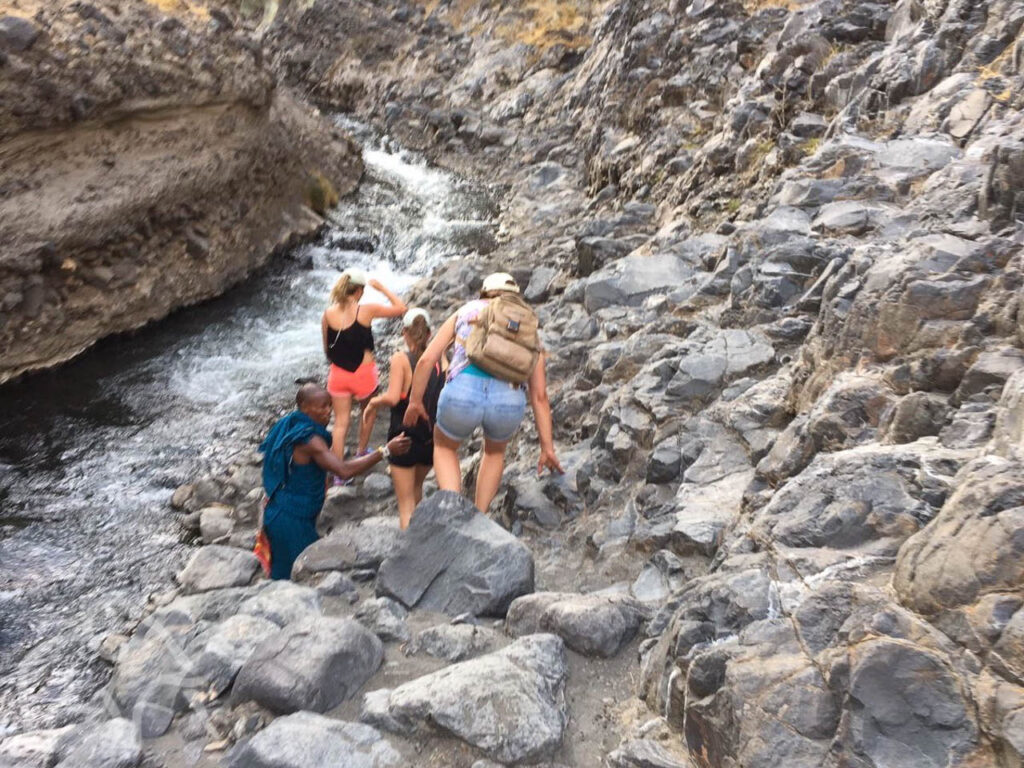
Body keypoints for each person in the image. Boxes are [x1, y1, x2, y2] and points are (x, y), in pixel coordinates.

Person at [403, 272, 563, 513]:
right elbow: (539, 395)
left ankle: (452, 509)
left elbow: (426, 361)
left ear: (485, 292)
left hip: (462, 393)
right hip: (507, 400)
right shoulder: (526, 324)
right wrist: (547, 448)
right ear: (515, 297)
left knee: (445, 447)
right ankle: (480, 514)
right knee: (495, 452)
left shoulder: (467, 310)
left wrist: (415, 402)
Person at [259, 383, 410, 580]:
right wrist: (385, 451)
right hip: (290, 520)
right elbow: (344, 471)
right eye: (322, 406)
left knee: (290, 571)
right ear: (304, 407)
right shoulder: (310, 439)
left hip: (285, 510)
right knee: (296, 576)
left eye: (329, 405)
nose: (328, 411)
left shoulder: (289, 424)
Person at [362, 308, 446, 529]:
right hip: (430, 440)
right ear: (429, 333)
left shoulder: (401, 359)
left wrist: (372, 403)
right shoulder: (440, 359)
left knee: (406, 504)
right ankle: (420, 544)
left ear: (404, 332)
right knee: (417, 491)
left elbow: (391, 398)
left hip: (403, 438)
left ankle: (409, 557)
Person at [322, 267, 407, 467]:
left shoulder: (327, 314)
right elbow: (401, 308)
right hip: (364, 374)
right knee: (368, 412)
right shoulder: (366, 310)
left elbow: (327, 348)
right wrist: (382, 288)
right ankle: (361, 454)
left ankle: (337, 470)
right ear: (359, 290)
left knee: (340, 423)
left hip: (338, 374)